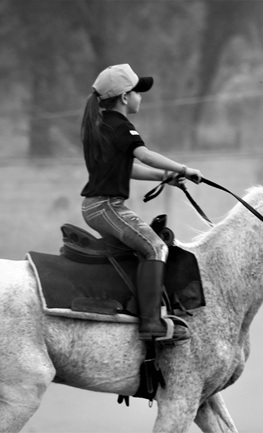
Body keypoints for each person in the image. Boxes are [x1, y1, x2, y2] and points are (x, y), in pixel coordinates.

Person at [80, 64, 202, 341]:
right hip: (107, 207)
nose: (141, 97)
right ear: (124, 97)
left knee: (141, 251)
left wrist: (165, 177)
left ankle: (134, 306)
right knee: (156, 248)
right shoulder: (120, 126)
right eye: (137, 92)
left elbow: (128, 169)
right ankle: (151, 324)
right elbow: (144, 156)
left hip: (95, 207)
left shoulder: (101, 125)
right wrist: (184, 169)